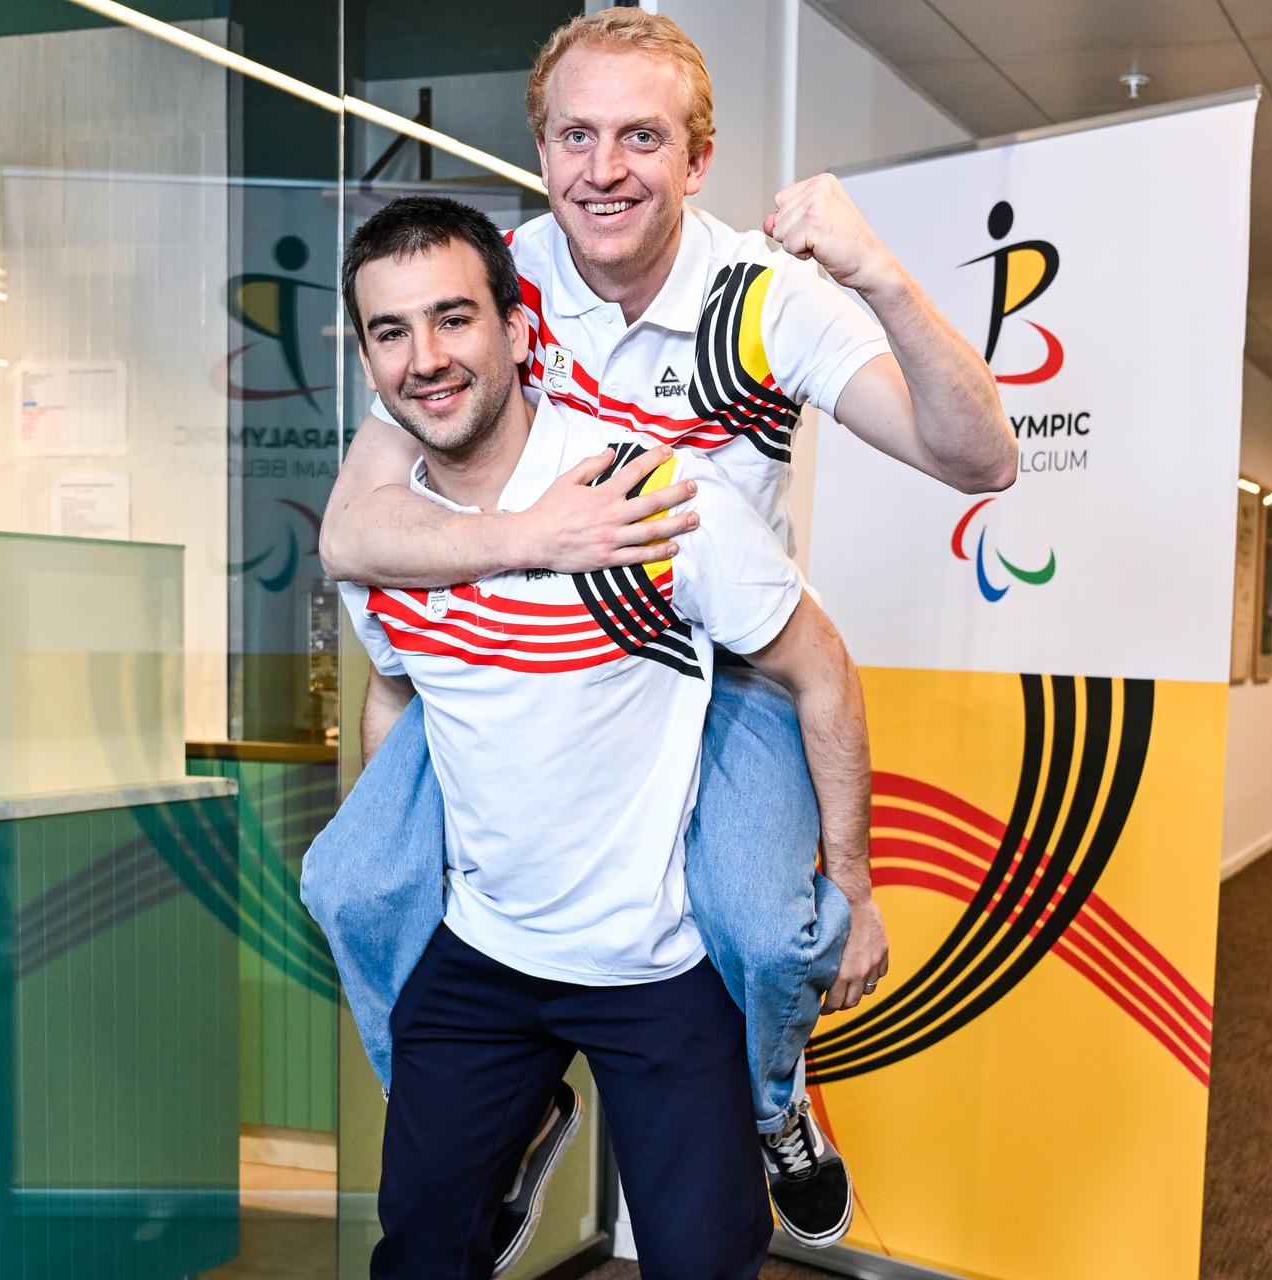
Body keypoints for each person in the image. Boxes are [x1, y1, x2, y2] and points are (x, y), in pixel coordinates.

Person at [304, 8, 1017, 1257]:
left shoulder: (766, 300)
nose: (604, 168)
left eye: (642, 136)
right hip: (522, 635)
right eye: (576, 135)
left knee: (762, 925)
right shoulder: (489, 286)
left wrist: (880, 276)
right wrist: (539, 537)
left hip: (721, 656)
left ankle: (775, 1102)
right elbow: (356, 532)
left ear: (697, 159)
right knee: (352, 881)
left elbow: (980, 458)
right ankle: (497, 1118)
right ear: (541, 149)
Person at [329, 194, 874, 1279]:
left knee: (704, 1263)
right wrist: (403, 857)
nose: (425, 358)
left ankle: (777, 1111)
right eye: (391, 332)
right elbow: (392, 689)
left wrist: (853, 884)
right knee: (422, 1252)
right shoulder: (385, 537)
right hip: (484, 955)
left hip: (658, 965)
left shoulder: (649, 495)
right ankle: (519, 1128)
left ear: (517, 329)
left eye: (453, 318)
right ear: (367, 361)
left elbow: (822, 671)